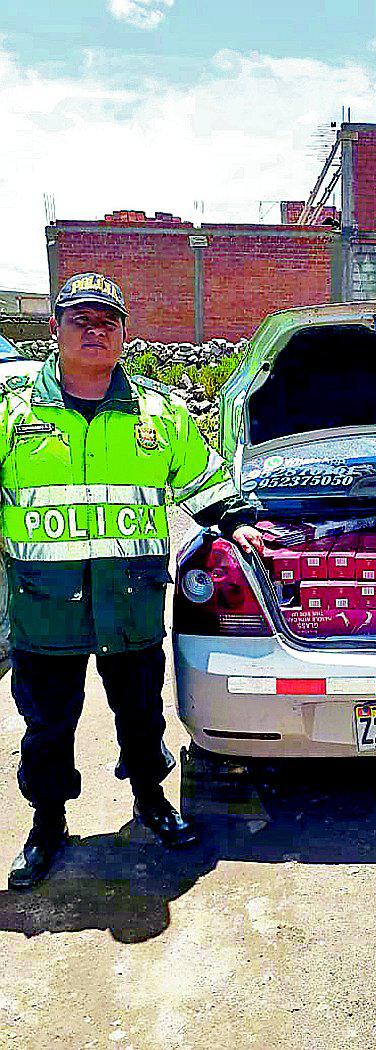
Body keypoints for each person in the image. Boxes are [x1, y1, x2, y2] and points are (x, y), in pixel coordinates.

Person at [4, 273, 266, 890]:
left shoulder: (160, 411)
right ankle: (47, 824)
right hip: (45, 607)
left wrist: (236, 522)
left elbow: (203, 480)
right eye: (80, 319)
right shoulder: (12, 412)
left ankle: (151, 799)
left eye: (107, 321)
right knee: (46, 726)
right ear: (55, 329)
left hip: (132, 603)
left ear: (125, 333)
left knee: (142, 715)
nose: (95, 330)